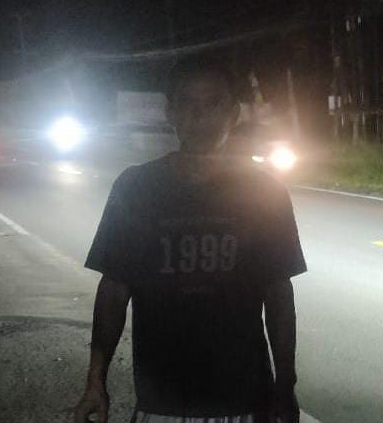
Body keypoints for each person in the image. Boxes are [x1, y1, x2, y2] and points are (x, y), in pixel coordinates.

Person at [74, 58, 306, 423]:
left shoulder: (265, 192)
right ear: (170, 112)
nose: (200, 116)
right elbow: (114, 289)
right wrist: (94, 382)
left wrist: (285, 385)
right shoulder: (137, 187)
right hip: (161, 401)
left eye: (213, 103)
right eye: (188, 103)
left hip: (245, 400)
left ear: (232, 114)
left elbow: (278, 294)